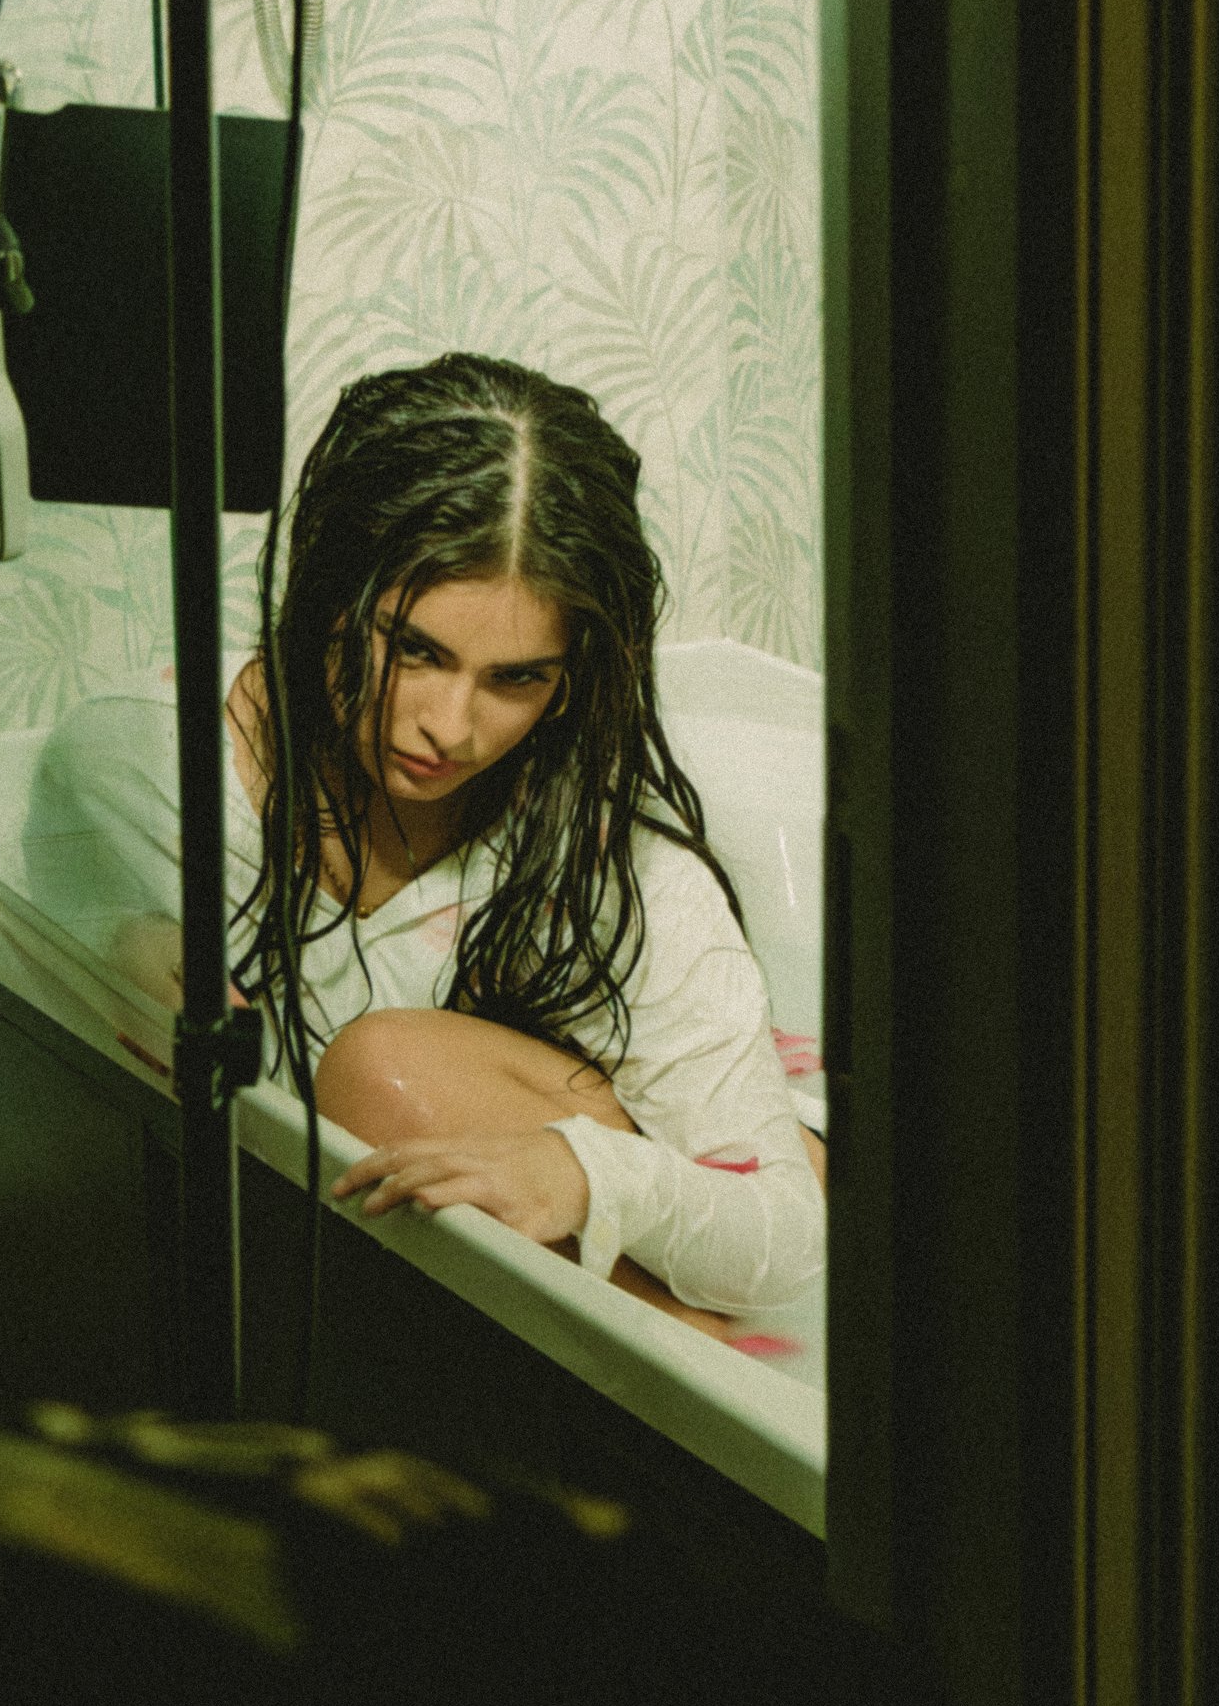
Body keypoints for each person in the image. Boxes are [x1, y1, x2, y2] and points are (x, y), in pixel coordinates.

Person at [40, 354, 823, 1333]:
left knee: (382, 1074)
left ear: (570, 678)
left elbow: (784, 1240)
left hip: (660, 1220)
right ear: (328, 596)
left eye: (516, 678)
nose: (448, 727)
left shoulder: (622, 875)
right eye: (414, 649)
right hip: (346, 1278)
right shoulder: (136, 771)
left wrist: (586, 1169)